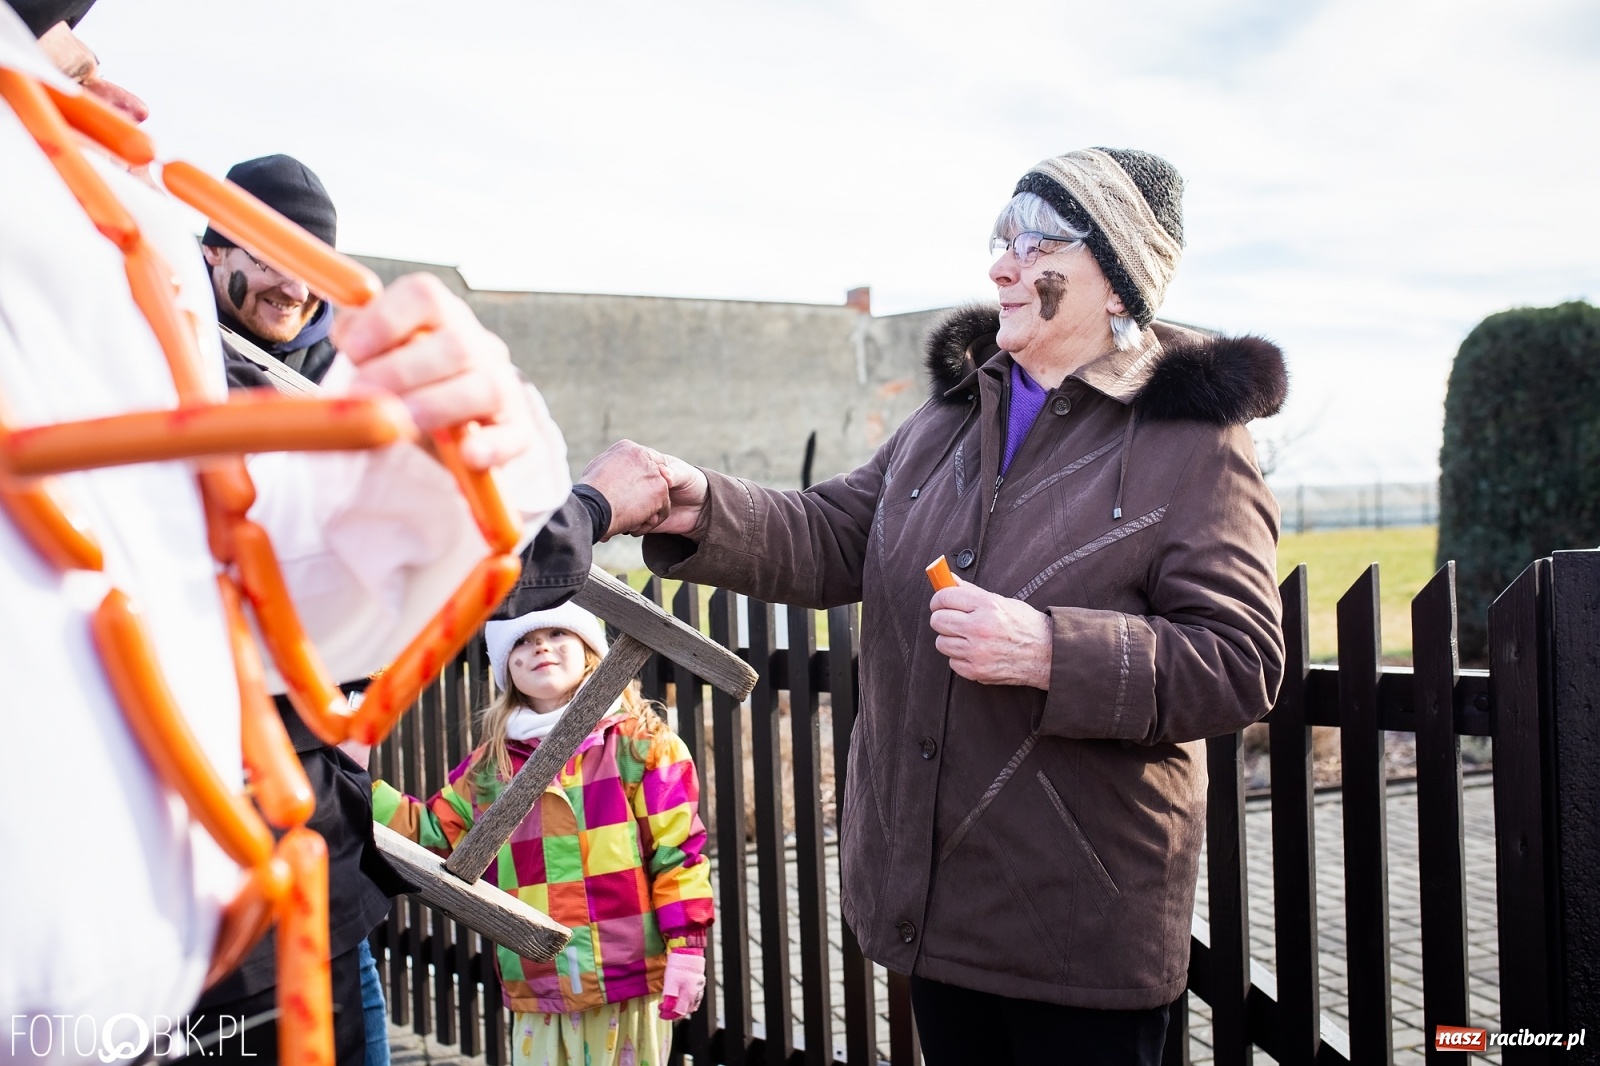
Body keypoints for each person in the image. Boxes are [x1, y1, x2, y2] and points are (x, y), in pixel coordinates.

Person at [0, 3, 607, 1060]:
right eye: (72, 67)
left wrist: (455, 485)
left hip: (282, 888)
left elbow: (239, 580)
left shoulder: (215, 346)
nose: (124, 102)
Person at [595, 148, 1288, 1063]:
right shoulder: (955, 412)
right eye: (1001, 237)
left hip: (1076, 923)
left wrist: (1049, 649)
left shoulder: (1192, 442)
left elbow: (1240, 659)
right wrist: (703, 505)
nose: (1001, 264)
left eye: (1038, 242)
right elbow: (841, 529)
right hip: (935, 900)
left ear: (1118, 281)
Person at [372, 602, 714, 1066]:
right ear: (506, 670)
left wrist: (687, 948)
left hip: (628, 977)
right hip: (539, 982)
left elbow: (678, 856)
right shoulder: (490, 769)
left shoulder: (643, 744)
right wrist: (357, 789)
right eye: (522, 642)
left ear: (591, 651)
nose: (540, 647)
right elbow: (433, 833)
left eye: (557, 634)